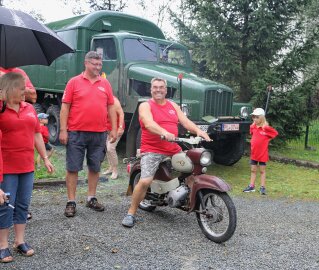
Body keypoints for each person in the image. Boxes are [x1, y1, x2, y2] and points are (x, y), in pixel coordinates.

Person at [121, 77, 211, 228]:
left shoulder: (173, 105)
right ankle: (131, 213)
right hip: (152, 150)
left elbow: (185, 121)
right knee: (145, 181)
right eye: (155, 87)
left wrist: (198, 131)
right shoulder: (145, 105)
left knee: (193, 169)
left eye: (161, 87)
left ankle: (187, 198)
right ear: (151, 90)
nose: (158, 90)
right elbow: (148, 123)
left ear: (166, 89)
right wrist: (163, 132)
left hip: (173, 148)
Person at [0, 72, 54, 263]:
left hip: (26, 166)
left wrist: (45, 157)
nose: (27, 91)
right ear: (10, 89)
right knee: (6, 205)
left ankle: (19, 242)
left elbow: (36, 134)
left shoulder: (29, 108)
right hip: (6, 168)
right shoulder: (1, 110)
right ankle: (3, 245)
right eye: (22, 88)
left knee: (22, 204)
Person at [59, 51, 117, 218]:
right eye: (94, 64)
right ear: (86, 63)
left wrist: (113, 128)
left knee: (95, 167)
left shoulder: (105, 83)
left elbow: (111, 107)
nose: (98, 67)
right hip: (76, 132)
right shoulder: (74, 82)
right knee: (73, 168)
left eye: (100, 64)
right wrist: (63, 130)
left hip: (99, 133)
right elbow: (65, 107)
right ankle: (71, 201)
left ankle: (91, 198)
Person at [243, 108, 278, 195]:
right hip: (254, 153)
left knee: (262, 171)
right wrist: (253, 125)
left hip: (262, 154)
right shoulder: (253, 127)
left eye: (257, 117)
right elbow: (251, 131)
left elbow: (275, 133)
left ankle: (262, 187)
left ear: (262, 118)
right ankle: (251, 186)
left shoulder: (266, 128)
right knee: (253, 170)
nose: (255, 119)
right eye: (253, 117)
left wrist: (267, 139)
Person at [102, 96, 125, 179]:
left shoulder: (114, 101)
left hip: (116, 128)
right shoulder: (101, 100)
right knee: (106, 148)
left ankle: (115, 170)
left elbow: (121, 114)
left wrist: (120, 127)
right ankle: (111, 168)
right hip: (107, 128)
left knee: (110, 148)